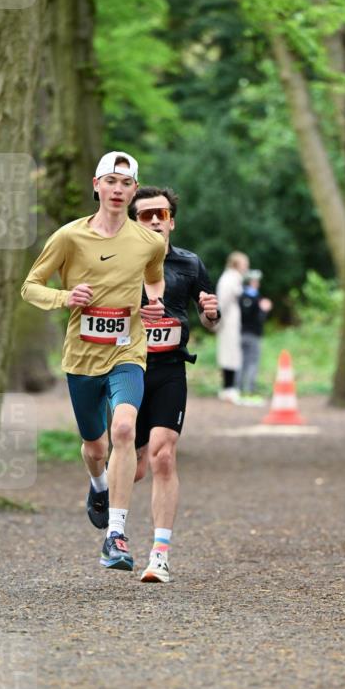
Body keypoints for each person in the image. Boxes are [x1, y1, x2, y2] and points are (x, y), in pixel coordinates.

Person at [21, 151, 166, 573]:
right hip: (82, 357)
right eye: (111, 181)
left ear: (134, 191)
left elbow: (154, 280)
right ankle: (98, 485)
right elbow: (30, 286)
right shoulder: (69, 237)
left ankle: (115, 535)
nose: (118, 190)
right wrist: (66, 297)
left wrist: (153, 304)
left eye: (126, 183)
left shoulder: (149, 242)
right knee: (95, 446)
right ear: (96, 185)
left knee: (123, 428)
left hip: (128, 350)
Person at [128, 186, 220, 583]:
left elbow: (211, 321)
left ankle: (159, 555)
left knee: (163, 456)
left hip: (169, 369)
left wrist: (211, 314)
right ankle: (100, 486)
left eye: (161, 214)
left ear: (172, 222)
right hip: (126, 368)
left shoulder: (190, 263)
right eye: (145, 214)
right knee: (132, 468)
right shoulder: (119, 262)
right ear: (134, 222)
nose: (154, 220)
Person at [216, 250, 249, 402]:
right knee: (228, 355)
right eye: (244, 264)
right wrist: (218, 322)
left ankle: (230, 387)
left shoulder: (235, 279)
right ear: (236, 264)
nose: (246, 267)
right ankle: (228, 388)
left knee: (232, 354)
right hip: (227, 323)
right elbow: (222, 303)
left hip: (233, 322)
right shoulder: (229, 279)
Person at [239, 269, 272, 401]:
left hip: (240, 333)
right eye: (256, 281)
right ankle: (250, 389)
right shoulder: (256, 298)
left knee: (242, 362)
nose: (258, 284)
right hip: (253, 334)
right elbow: (258, 319)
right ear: (252, 282)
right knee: (252, 362)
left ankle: (239, 388)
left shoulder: (240, 295)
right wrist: (264, 310)